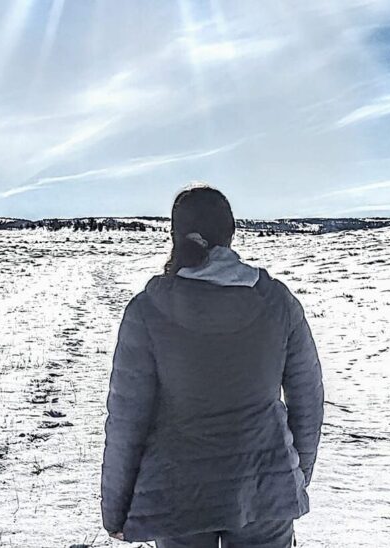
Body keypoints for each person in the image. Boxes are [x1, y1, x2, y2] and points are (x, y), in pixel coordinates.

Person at [100, 183, 324, 547]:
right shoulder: (277, 302)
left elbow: (128, 417)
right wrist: (295, 475)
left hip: (177, 495)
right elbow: (308, 401)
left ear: (175, 235)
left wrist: (116, 509)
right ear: (231, 233)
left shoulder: (148, 309)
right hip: (264, 490)